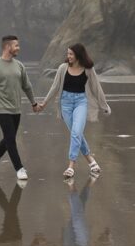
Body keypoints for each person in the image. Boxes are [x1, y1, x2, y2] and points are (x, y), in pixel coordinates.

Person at [39, 42, 110, 178]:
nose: (68, 56)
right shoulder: (62, 68)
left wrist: (104, 105)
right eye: (68, 54)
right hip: (65, 103)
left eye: (71, 54)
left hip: (81, 103)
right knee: (76, 134)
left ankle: (71, 166)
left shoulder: (88, 69)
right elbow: (55, 87)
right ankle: (91, 161)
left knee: (76, 132)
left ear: (78, 55)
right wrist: (44, 103)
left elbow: (96, 88)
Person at [0, 35, 40, 181]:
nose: (18, 48)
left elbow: (27, 86)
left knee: (9, 138)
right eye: (16, 46)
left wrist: (34, 103)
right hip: (1, 109)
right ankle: (19, 168)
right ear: (7, 47)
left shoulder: (19, 65)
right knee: (10, 139)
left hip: (16, 108)